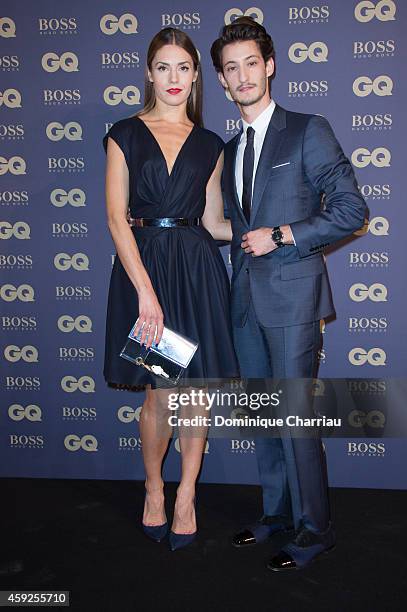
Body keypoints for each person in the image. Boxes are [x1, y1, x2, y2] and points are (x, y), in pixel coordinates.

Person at [210, 17, 367, 570]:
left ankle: (314, 529)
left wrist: (283, 235)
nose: (243, 75)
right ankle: (276, 515)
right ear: (224, 82)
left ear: (270, 65)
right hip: (245, 299)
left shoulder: (307, 129)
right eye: (231, 68)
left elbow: (351, 211)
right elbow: (231, 226)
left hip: (294, 297)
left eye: (251, 62)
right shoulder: (229, 150)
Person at [103, 27, 239, 551]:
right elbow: (117, 219)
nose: (174, 78)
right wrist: (145, 293)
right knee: (160, 394)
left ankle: (186, 495)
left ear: (197, 76)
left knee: (195, 395)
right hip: (147, 273)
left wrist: (268, 230)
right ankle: (154, 490)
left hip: (197, 271)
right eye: (164, 67)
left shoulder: (210, 145)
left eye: (184, 67)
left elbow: (211, 221)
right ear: (149, 73)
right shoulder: (125, 133)